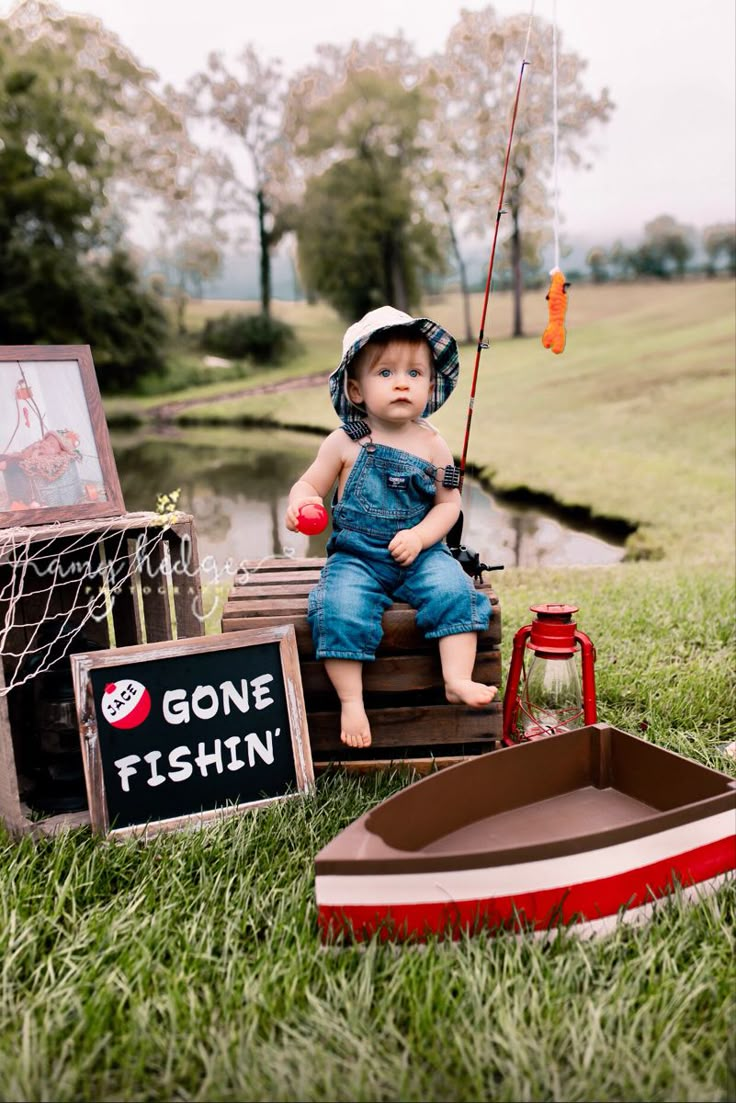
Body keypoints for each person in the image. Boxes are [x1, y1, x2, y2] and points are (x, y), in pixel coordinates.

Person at [285, 305, 496, 749]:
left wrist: (421, 537)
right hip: (357, 557)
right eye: (385, 372)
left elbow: (449, 505)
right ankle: (351, 700)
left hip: (421, 555)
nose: (402, 382)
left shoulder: (433, 443)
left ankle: (456, 678)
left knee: (455, 592)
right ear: (357, 389)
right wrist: (302, 501)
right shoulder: (345, 441)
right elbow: (310, 484)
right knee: (339, 607)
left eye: (415, 372)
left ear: (430, 384)